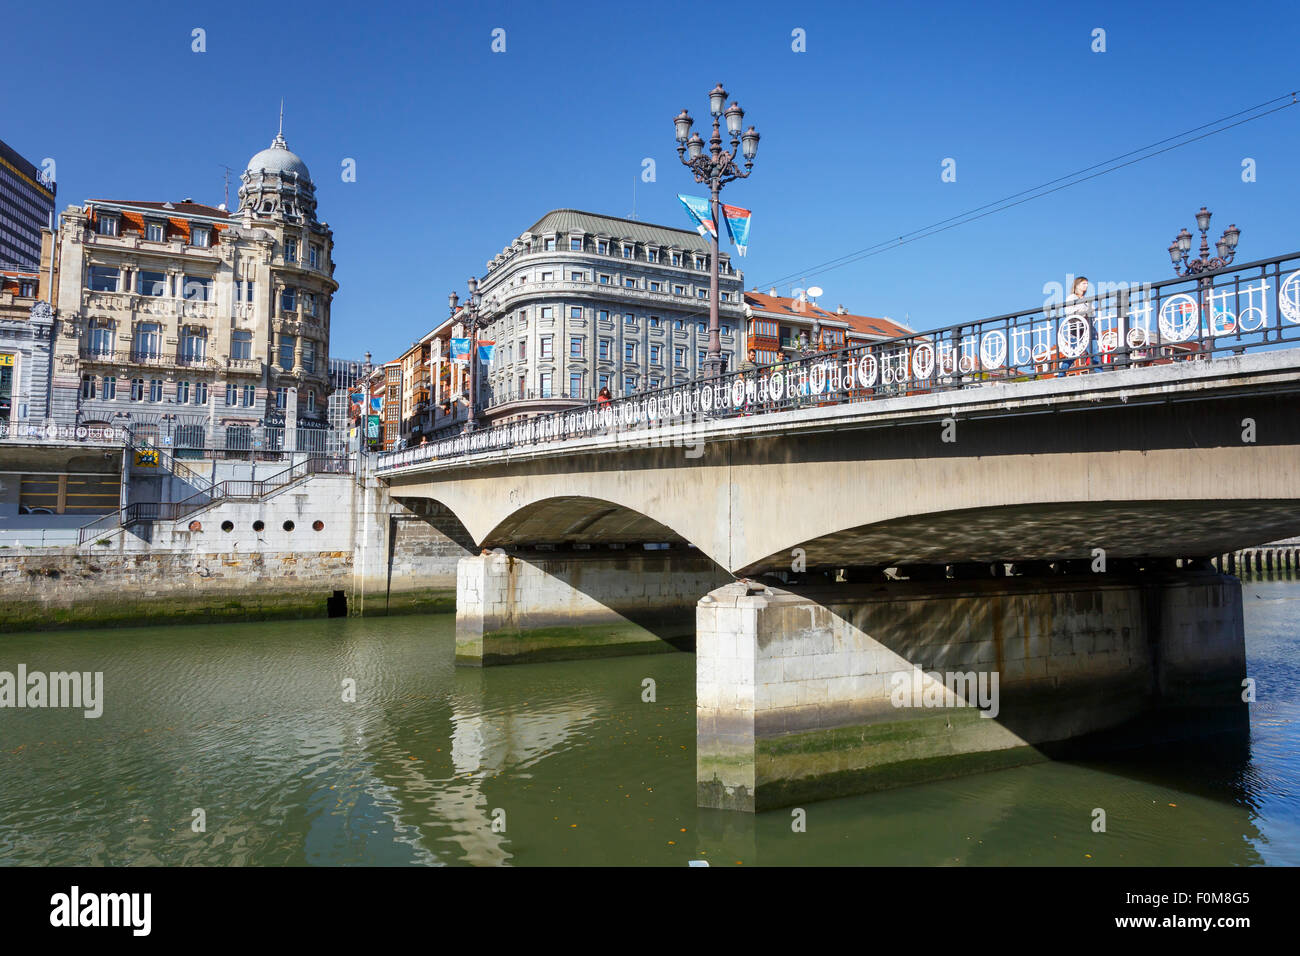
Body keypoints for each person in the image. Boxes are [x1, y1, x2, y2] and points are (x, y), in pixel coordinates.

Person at [1057, 276, 1096, 377]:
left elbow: (1093, 313)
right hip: (1076, 330)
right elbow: (1069, 312)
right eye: (1084, 283)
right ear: (1077, 285)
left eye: (1087, 284)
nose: (1086, 286)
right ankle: (1061, 373)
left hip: (1087, 329)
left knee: (1094, 351)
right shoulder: (1072, 298)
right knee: (1074, 354)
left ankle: (1100, 372)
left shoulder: (1087, 300)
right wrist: (1085, 312)